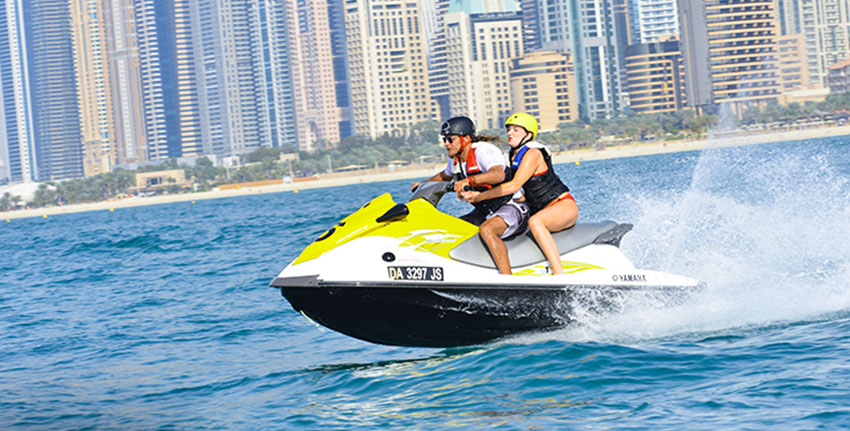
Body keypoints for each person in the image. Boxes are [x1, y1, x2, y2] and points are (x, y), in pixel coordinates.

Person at [461, 112, 578, 275]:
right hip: (544, 209)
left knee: (535, 222)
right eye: (509, 129)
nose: (509, 133)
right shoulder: (514, 154)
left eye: (516, 130)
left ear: (528, 134)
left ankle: (559, 273)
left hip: (562, 205)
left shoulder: (533, 154)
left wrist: (479, 196)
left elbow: (514, 185)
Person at [411, 116, 529, 248]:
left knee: (487, 230)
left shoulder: (483, 151)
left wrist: (468, 181)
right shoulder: (455, 159)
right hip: (485, 212)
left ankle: (505, 270)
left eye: (450, 139)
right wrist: (424, 184)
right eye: (444, 139)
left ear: (466, 139)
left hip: (512, 207)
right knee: (451, 231)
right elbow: (444, 176)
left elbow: (498, 174)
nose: (446, 144)